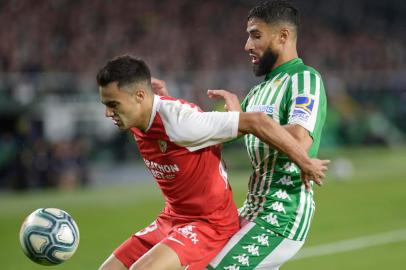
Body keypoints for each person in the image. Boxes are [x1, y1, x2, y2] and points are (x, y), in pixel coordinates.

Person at [96, 55, 328, 270]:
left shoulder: (182, 123)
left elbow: (257, 121)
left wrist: (304, 161)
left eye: (113, 105)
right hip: (172, 218)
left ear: (139, 96)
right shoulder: (141, 115)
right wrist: (161, 97)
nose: (108, 113)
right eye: (106, 104)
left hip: (208, 224)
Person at [153, 1, 328, 269]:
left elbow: (300, 140)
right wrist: (167, 105)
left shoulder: (304, 79)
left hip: (282, 215)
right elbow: (212, 133)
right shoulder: (258, 93)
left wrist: (248, 122)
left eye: (256, 35)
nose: (247, 45)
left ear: (283, 36)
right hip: (250, 210)